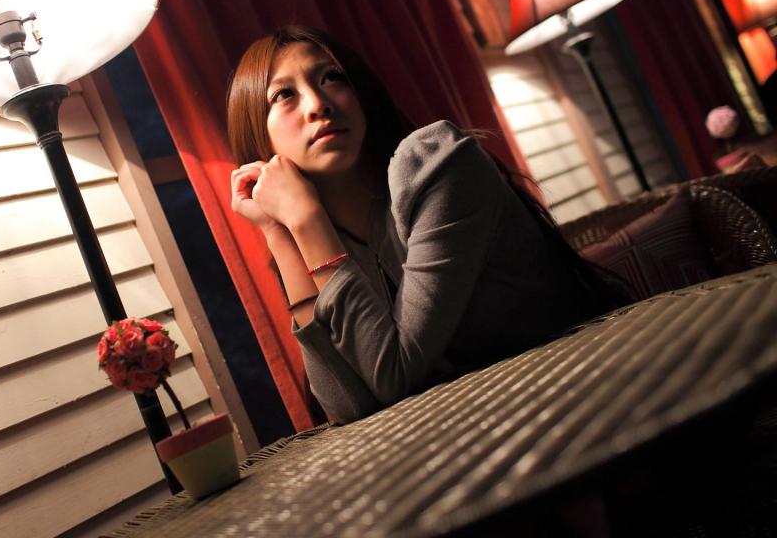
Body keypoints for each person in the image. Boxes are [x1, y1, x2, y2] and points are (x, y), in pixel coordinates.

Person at [227, 26, 627, 424]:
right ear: (258, 136)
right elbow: (350, 407)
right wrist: (279, 233)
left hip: (588, 394)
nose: (318, 104)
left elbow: (394, 377)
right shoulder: (316, 236)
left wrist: (307, 220)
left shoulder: (436, 165)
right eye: (284, 95)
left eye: (332, 77)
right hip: (487, 427)